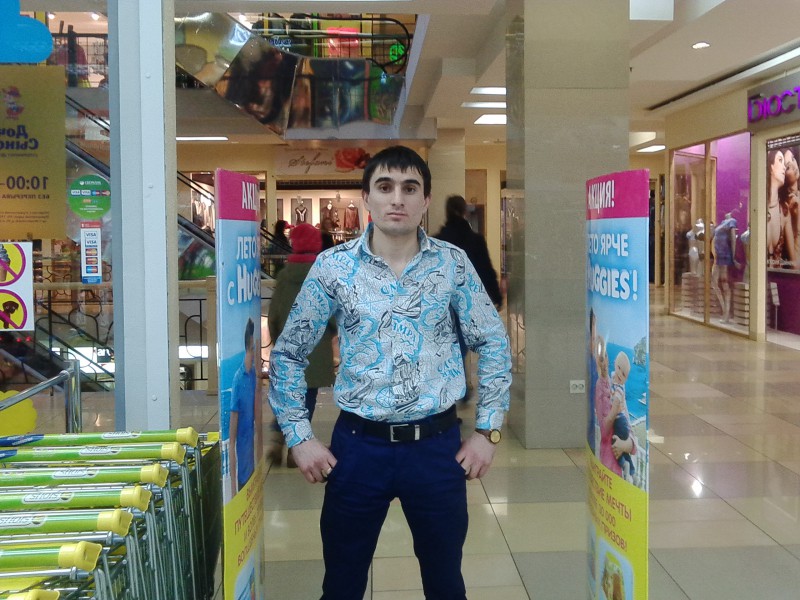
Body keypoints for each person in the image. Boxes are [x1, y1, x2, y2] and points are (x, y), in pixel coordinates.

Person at [268, 145, 512, 600]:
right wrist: (299, 437)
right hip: (358, 450)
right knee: (341, 585)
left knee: (445, 584)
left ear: (425, 200)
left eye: (409, 188)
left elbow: (493, 342)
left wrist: (488, 431)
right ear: (367, 197)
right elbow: (288, 355)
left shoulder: (452, 264)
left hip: (436, 450)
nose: (397, 198)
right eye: (385, 187)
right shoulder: (334, 267)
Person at [267, 223, 336, 467]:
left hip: (289, 346)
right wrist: (332, 332)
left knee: (286, 395)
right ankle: (294, 450)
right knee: (308, 397)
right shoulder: (323, 274)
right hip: (315, 350)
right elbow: (332, 314)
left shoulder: (284, 276)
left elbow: (274, 313)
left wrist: (277, 339)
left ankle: (279, 436)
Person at [434, 194, 503, 308]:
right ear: (464, 211)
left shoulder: (437, 241)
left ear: (447, 213)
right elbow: (486, 272)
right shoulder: (476, 240)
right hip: (471, 301)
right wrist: (496, 297)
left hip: (443, 302)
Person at [228, 318, 257, 495]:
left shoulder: (253, 374)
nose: (254, 354)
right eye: (253, 349)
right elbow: (231, 441)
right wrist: (232, 490)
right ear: (247, 348)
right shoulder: (238, 381)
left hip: (252, 460)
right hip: (242, 470)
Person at [610, 351, 633, 481]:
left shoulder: (619, 388)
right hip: (622, 422)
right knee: (622, 448)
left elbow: (614, 407)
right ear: (614, 364)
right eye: (619, 368)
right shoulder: (612, 380)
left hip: (620, 422)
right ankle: (632, 471)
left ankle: (624, 465)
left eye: (623, 374)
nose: (619, 374)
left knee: (615, 442)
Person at [711, 213, 739, 322]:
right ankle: (724, 310)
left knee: (724, 283)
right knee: (714, 283)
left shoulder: (732, 221)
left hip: (725, 256)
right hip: (718, 256)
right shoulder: (722, 223)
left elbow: (733, 239)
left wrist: (733, 257)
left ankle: (726, 313)